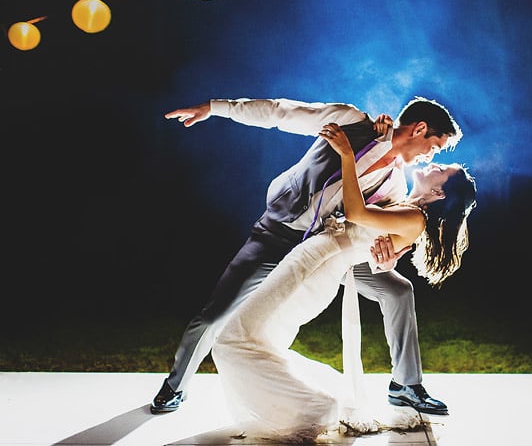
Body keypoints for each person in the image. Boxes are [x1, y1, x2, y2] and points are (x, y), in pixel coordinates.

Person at [152, 96, 462, 416]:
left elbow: (376, 241)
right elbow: (279, 112)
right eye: (434, 146)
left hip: (325, 253)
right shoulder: (351, 122)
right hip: (276, 237)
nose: (430, 155)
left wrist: (387, 260)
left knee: (398, 289)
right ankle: (175, 386)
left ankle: (405, 385)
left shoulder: (396, 187)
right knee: (217, 313)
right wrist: (215, 108)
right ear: (420, 128)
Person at [210, 121, 477, 440]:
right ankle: (311, 404)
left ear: (438, 192)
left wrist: (347, 155)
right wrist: (385, 258)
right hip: (311, 260)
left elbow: (357, 214)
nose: (434, 162)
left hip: (313, 268)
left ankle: (317, 408)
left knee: (232, 340)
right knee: (251, 338)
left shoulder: (414, 219)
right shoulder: (403, 203)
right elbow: (375, 242)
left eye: (441, 169)